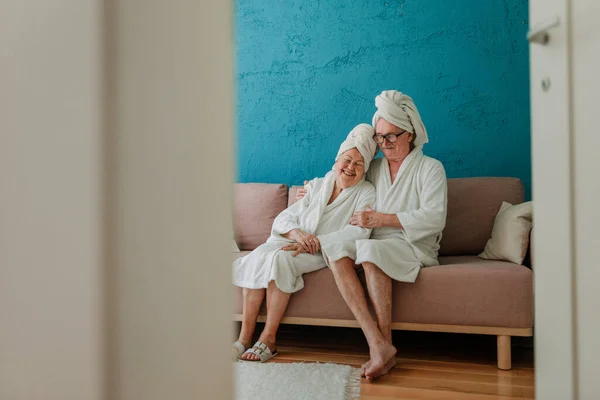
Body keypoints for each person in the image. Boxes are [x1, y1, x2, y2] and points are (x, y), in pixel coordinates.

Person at [296, 90, 447, 379]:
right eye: (380, 137)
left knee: (369, 251)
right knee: (337, 250)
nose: (384, 143)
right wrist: (313, 191)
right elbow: (342, 177)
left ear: (410, 134)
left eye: (391, 136)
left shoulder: (431, 169)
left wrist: (382, 219)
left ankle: (384, 345)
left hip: (412, 245)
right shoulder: (374, 167)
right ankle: (377, 343)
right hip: (372, 239)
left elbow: (435, 218)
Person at [232, 124, 377, 362]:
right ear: (337, 160)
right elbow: (286, 217)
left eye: (358, 164)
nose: (350, 168)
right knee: (256, 257)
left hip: (324, 249)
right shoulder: (320, 184)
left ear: (365, 170)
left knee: (281, 259)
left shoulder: (366, 193)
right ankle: (243, 339)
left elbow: (358, 232)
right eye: (347, 160)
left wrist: (316, 241)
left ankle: (268, 339)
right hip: (297, 238)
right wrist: (298, 234)